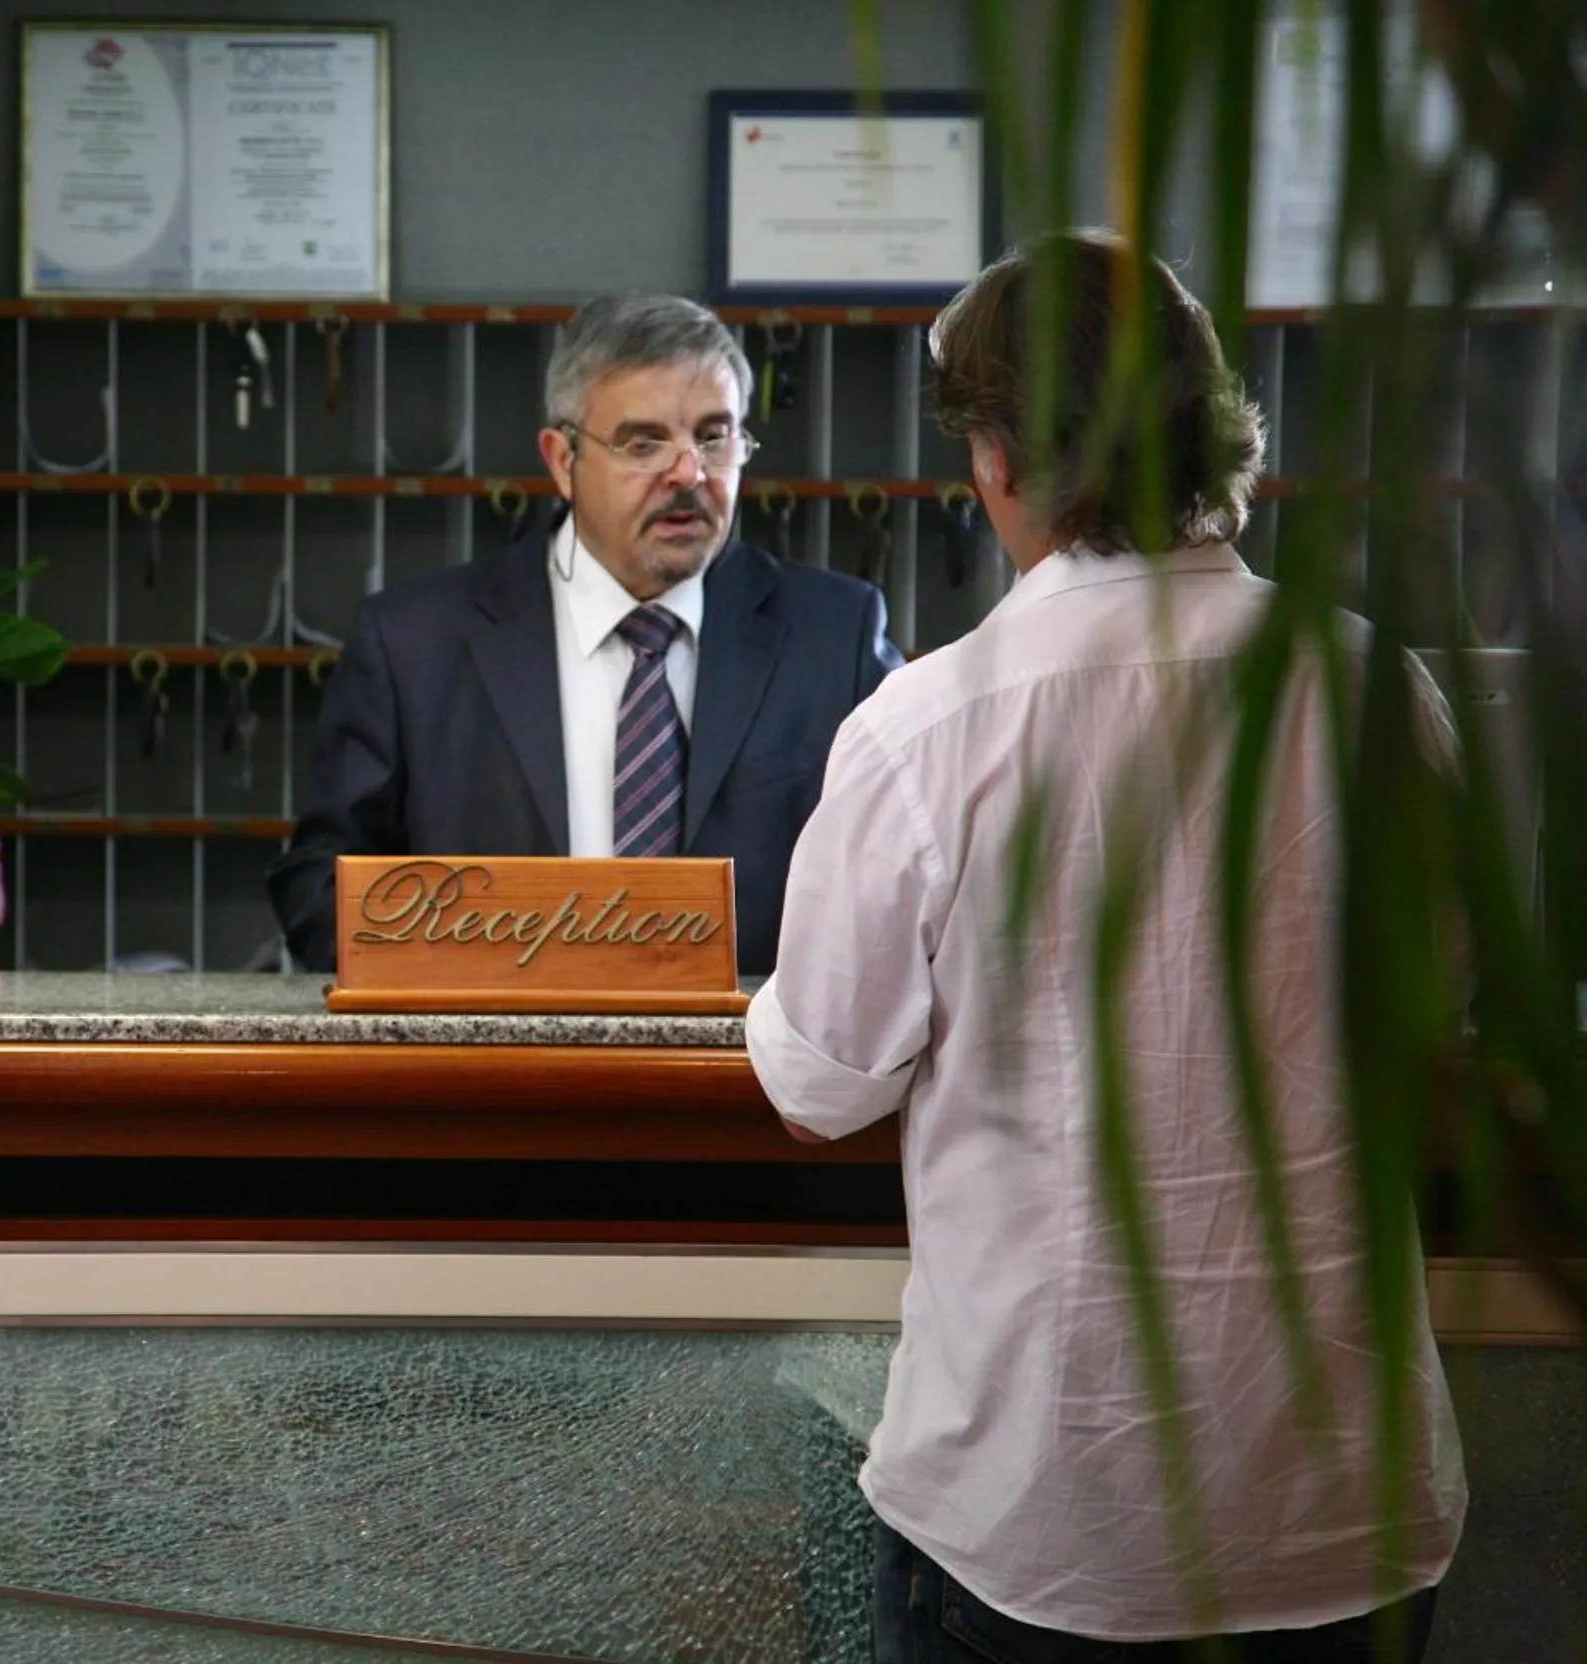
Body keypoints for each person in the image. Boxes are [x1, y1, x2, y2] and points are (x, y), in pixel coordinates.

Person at [744, 229, 1466, 1658]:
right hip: (1344, 1509)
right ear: (1217, 435)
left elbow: (820, 1083)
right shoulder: (1380, 691)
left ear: (1000, 462)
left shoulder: (928, 729)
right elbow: (1433, 1009)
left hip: (1045, 1513)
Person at [267, 292, 902, 973]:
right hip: (496, 1039)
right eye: (643, 443)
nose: (689, 473)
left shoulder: (834, 637)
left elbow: (913, 876)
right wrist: (473, 982)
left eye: (714, 436)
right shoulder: (414, 645)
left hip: (751, 1043)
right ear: (562, 460)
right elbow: (319, 890)